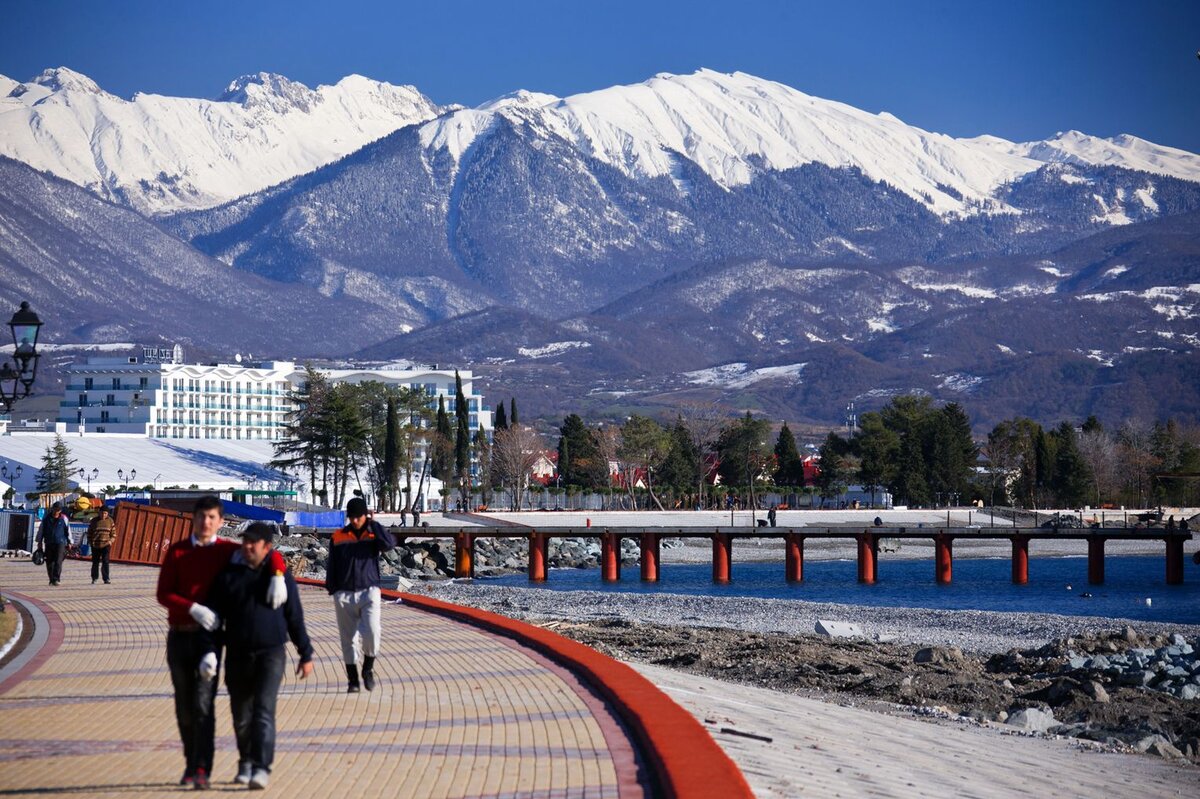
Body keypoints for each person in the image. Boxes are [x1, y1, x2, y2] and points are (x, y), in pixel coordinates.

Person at [156, 496, 289, 790]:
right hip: (180, 636)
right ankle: (191, 760)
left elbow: (268, 554)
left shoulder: (228, 551)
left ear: (220, 521)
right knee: (184, 707)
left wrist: (278, 574)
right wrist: (192, 607)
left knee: (203, 703)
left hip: (211, 641)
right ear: (194, 519)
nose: (206, 522)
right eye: (202, 516)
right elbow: (163, 593)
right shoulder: (178, 552)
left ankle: (201, 768)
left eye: (212, 517)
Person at [199, 522, 313, 789]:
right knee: (241, 714)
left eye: (253, 542)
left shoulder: (280, 577)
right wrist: (208, 652)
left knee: (263, 710)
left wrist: (305, 653)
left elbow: (294, 616)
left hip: (271, 654)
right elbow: (212, 617)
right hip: (237, 654)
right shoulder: (229, 575)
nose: (247, 546)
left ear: (267, 547)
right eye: (245, 541)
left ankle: (261, 767)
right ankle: (246, 761)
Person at [327, 496, 395, 693]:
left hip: (369, 590)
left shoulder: (373, 535)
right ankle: (353, 680)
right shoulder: (338, 537)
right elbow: (331, 565)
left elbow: (389, 544)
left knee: (373, 631)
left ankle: (368, 668)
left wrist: (374, 525)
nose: (355, 521)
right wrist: (334, 590)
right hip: (344, 593)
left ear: (365, 515)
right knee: (348, 638)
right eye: (352, 517)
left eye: (359, 517)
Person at [35, 502, 70, 586]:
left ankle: (56, 579)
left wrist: (70, 542)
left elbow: (68, 531)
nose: (56, 511)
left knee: (58, 561)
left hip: (60, 543)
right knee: (50, 562)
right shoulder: (46, 518)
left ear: (60, 510)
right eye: (55, 509)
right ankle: (51, 579)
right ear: (52, 509)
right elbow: (41, 530)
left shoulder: (64, 518)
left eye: (58, 510)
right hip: (49, 542)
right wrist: (39, 541)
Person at [87, 506, 117, 584]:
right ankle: (94, 578)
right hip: (95, 545)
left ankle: (106, 578)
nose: (103, 515)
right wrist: (91, 542)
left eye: (105, 513)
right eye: (102, 513)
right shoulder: (94, 521)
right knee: (95, 562)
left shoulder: (110, 521)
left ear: (107, 514)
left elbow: (113, 534)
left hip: (106, 545)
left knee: (105, 561)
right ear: (99, 513)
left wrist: (111, 541)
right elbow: (89, 533)